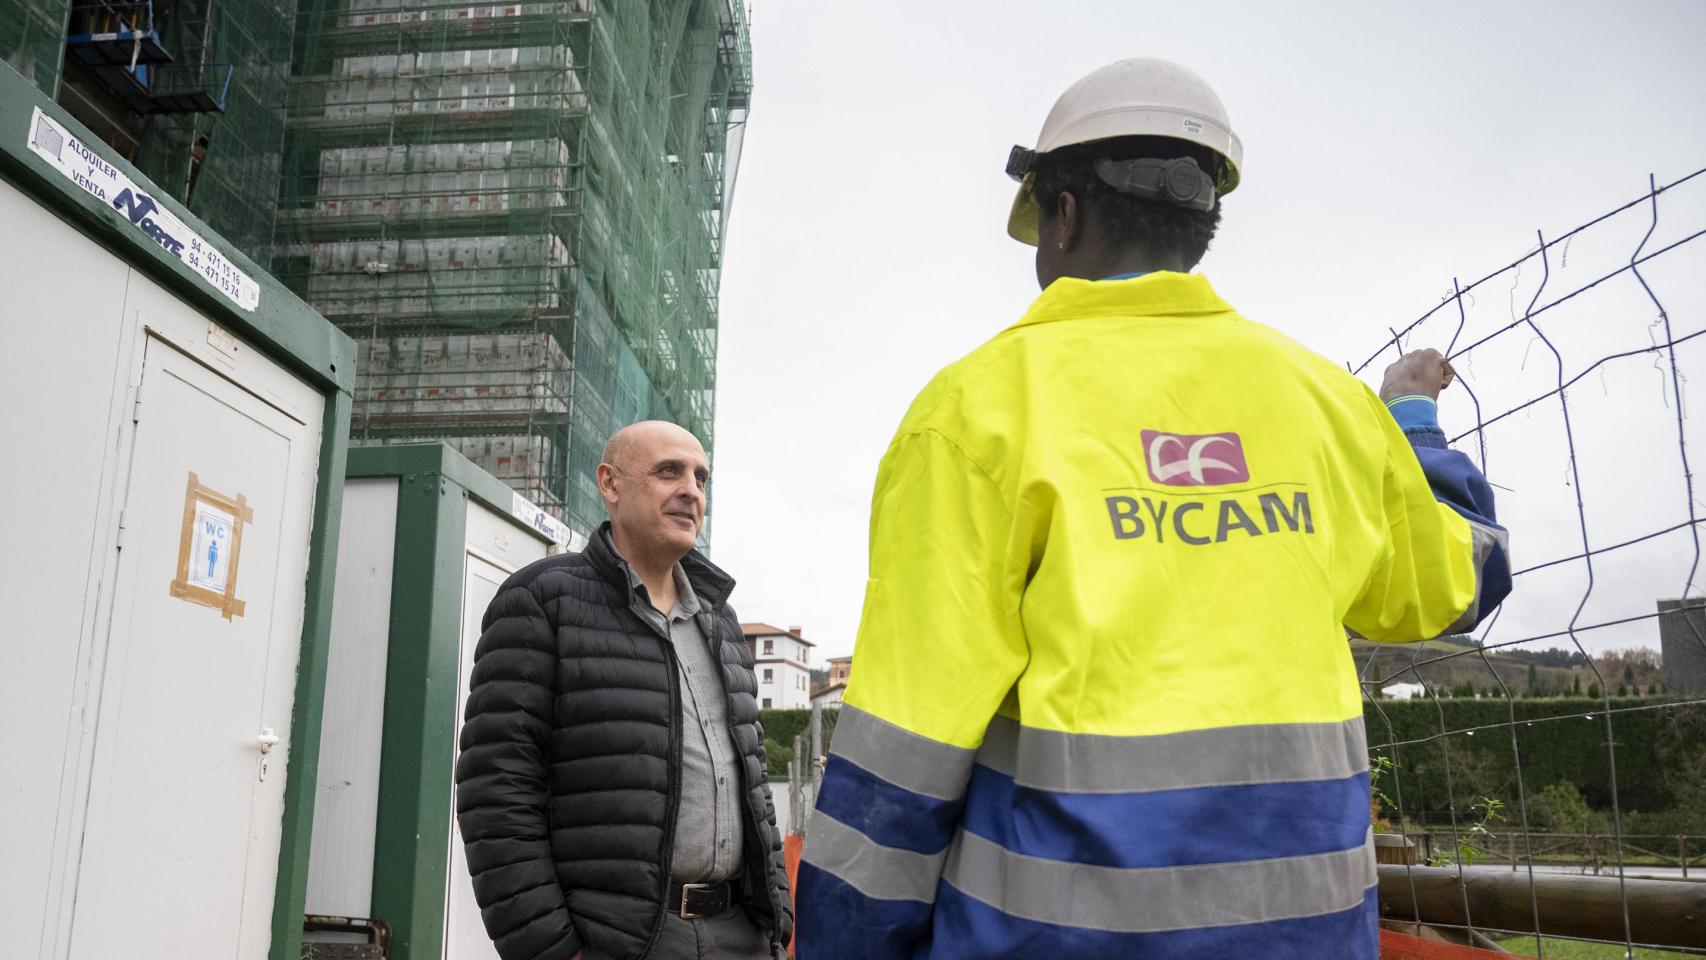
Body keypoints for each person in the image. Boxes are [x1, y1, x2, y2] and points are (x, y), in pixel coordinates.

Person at [796, 58, 1510, 959]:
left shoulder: (975, 412)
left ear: (1062, 213)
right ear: (1205, 217)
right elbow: (1457, 584)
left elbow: (903, 751)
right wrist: (1411, 418)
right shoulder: (1330, 405)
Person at [456, 421, 792, 960]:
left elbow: (753, 789)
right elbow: (495, 790)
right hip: (620, 939)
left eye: (701, 478)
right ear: (610, 484)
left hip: (739, 935)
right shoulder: (545, 600)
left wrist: (776, 921)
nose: (691, 491)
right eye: (668, 471)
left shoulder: (721, 623)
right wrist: (552, 949)